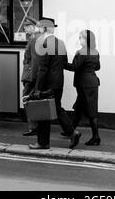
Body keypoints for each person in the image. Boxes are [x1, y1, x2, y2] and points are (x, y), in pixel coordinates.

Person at [28, 18, 81, 150]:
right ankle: (72, 132)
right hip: (58, 83)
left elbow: (43, 68)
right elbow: (64, 62)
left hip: (47, 84)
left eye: (40, 28)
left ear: (44, 29)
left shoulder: (45, 44)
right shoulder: (61, 43)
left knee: (43, 112)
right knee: (57, 108)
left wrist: (37, 89)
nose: (38, 30)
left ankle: (43, 142)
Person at [64, 30, 101, 146]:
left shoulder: (81, 52)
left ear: (86, 40)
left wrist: (61, 63)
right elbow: (98, 67)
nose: (79, 39)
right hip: (92, 82)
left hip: (84, 85)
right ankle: (70, 131)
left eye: (81, 38)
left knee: (91, 111)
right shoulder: (95, 52)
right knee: (79, 108)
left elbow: (74, 67)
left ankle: (96, 137)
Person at [21, 17, 40, 137]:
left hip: (30, 75)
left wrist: (32, 77)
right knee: (32, 100)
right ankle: (35, 126)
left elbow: (35, 61)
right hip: (31, 74)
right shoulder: (35, 39)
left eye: (27, 27)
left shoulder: (34, 40)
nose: (25, 29)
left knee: (27, 100)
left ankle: (33, 127)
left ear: (33, 27)